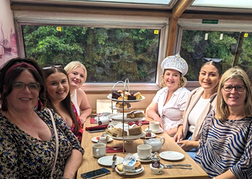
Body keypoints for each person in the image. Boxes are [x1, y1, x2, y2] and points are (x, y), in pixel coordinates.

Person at [0, 58, 84, 178]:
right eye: (18, 85)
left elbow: (76, 147)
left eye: (33, 86)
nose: (27, 91)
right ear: (5, 89)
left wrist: (68, 175)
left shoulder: (46, 114)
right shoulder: (4, 131)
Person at [195, 66, 252, 179]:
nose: (233, 92)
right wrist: (196, 174)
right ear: (221, 90)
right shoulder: (213, 115)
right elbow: (201, 148)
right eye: (228, 87)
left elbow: (246, 164)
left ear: (247, 91)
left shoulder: (249, 123)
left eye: (239, 87)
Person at [173, 59, 222, 159]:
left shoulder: (221, 101)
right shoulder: (194, 94)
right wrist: (180, 130)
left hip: (202, 148)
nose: (206, 78)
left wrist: (192, 144)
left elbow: (218, 138)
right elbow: (185, 120)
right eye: (203, 73)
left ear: (220, 78)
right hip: (186, 139)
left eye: (212, 75)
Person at [146, 54, 190, 136]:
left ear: (180, 78)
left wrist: (167, 133)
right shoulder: (162, 91)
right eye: (168, 74)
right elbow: (149, 109)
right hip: (160, 131)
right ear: (163, 76)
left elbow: (186, 122)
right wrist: (156, 117)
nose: (170, 78)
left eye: (175, 75)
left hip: (175, 135)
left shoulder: (184, 94)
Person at [44, 66, 83, 143]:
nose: (61, 87)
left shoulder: (70, 105)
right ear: (44, 87)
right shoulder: (44, 113)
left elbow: (79, 131)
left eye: (63, 82)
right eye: (54, 83)